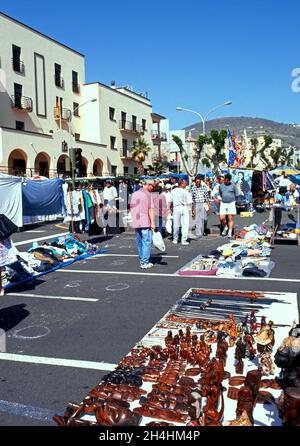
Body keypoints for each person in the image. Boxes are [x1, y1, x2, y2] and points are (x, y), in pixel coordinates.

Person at [130, 179, 155, 269]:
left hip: (136, 221)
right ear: (149, 185)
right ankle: (145, 262)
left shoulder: (135, 194)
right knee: (147, 241)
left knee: (140, 241)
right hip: (144, 221)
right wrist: (152, 223)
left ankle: (142, 259)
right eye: (153, 186)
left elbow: (131, 208)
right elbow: (150, 210)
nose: (153, 188)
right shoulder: (148, 194)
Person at [170, 179, 193, 245]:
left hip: (176, 208)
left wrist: (169, 209)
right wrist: (191, 210)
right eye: (185, 183)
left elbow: (170, 201)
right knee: (185, 224)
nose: (186, 184)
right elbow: (190, 202)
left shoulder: (174, 191)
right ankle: (183, 240)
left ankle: (175, 239)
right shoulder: (185, 191)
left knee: (176, 224)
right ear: (182, 183)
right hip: (184, 207)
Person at [190, 175, 210, 239]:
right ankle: (199, 233)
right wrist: (193, 209)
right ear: (195, 182)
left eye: (199, 181)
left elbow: (207, 197)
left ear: (200, 181)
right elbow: (192, 199)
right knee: (197, 219)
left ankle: (204, 229)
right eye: (197, 181)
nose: (198, 183)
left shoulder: (204, 187)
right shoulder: (192, 188)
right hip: (196, 204)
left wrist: (208, 206)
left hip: (203, 204)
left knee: (205, 219)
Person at [219, 173, 238, 238]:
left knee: (230, 218)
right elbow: (220, 193)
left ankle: (230, 232)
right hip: (223, 203)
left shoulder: (233, 186)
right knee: (222, 218)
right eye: (225, 180)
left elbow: (236, 193)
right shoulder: (221, 185)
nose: (226, 181)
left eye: (227, 180)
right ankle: (225, 227)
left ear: (230, 180)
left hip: (231, 203)